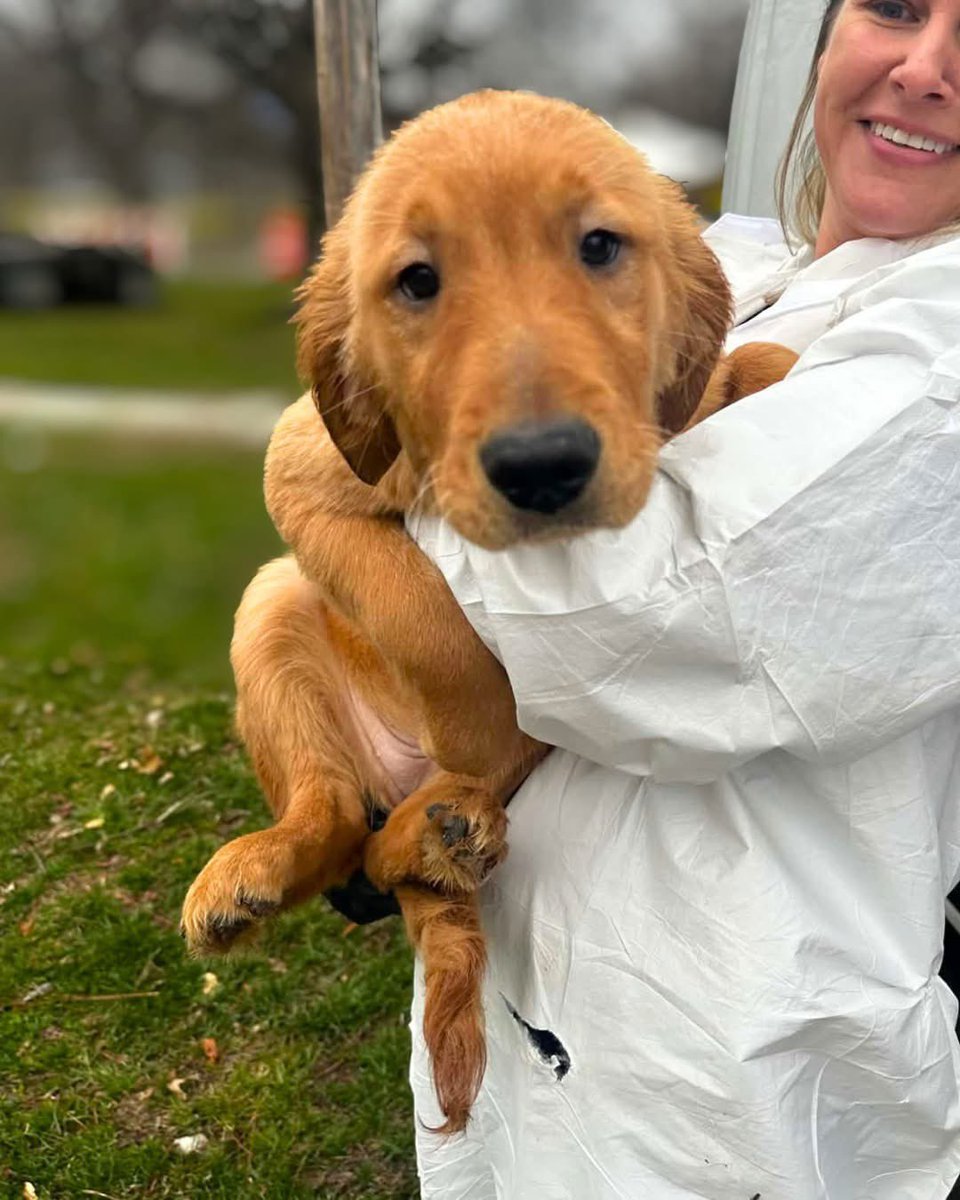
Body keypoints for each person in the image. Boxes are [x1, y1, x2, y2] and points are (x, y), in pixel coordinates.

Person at [404, 1, 960, 1196]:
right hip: (528, 991)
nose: (926, 69)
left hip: (736, 1066)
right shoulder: (738, 262)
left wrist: (387, 469)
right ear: (824, 34)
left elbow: (648, 616)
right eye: (897, 7)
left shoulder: (946, 343)